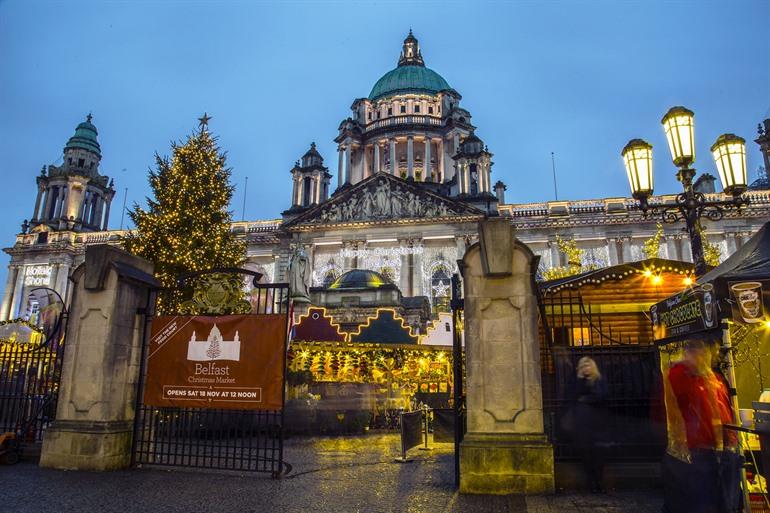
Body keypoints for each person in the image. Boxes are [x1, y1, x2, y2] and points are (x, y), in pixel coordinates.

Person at [662, 339, 740, 513]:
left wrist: (731, 439)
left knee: (725, 501)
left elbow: (723, 410)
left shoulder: (714, 378)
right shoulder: (682, 375)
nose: (703, 358)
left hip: (723, 449)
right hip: (699, 449)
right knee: (702, 501)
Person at [572, 356, 609, 493]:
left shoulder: (599, 380)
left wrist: (586, 399)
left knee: (599, 456)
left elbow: (602, 396)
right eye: (583, 366)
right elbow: (574, 397)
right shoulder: (578, 381)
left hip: (598, 424)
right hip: (583, 424)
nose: (586, 368)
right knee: (586, 455)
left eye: (588, 366)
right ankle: (591, 483)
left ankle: (599, 482)